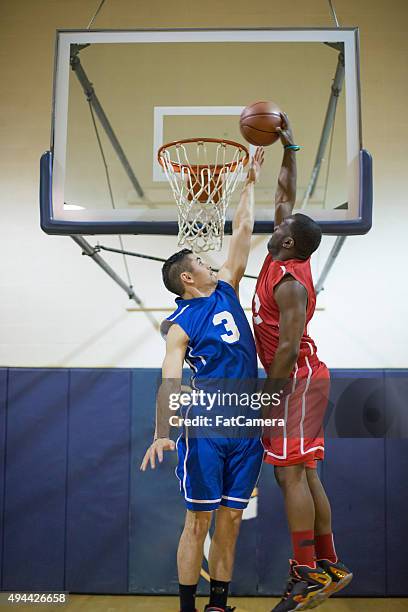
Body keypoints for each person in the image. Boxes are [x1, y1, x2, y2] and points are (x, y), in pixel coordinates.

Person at [141, 147, 265, 612]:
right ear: (189, 278)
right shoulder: (180, 324)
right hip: (209, 425)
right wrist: (162, 432)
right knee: (199, 520)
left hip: (247, 424)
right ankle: (187, 607)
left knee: (232, 519)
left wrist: (249, 183)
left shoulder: (229, 288)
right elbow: (170, 380)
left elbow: (244, 233)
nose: (214, 263)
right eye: (203, 262)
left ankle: (218, 603)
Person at [252, 115, 353, 611]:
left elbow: (288, 348)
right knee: (305, 471)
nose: (278, 219)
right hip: (301, 376)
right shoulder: (284, 253)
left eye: (282, 225)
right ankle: (328, 561)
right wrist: (288, 146)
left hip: (295, 376)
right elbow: (285, 197)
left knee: (288, 473)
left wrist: (266, 398)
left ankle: (307, 571)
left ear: (288, 241)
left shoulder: (290, 280)